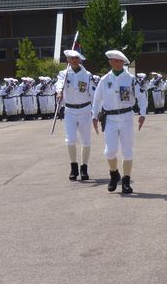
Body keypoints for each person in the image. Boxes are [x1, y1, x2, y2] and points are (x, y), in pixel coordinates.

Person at [92, 50, 147, 194]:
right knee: (110, 152)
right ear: (110, 62)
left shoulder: (130, 79)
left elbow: (141, 97)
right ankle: (114, 173)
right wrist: (94, 116)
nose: (117, 63)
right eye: (114, 61)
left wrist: (142, 113)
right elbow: (97, 100)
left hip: (126, 117)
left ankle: (126, 181)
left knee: (127, 151)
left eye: (120, 61)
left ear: (123, 62)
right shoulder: (104, 80)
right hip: (110, 119)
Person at [56, 50, 94, 181]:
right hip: (70, 111)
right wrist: (59, 92)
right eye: (72, 58)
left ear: (80, 60)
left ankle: (84, 168)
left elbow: (93, 93)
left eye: (77, 58)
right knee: (70, 140)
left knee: (86, 141)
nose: (74, 60)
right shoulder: (63, 74)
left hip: (84, 110)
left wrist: (97, 111)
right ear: (68, 60)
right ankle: (73, 167)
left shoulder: (87, 75)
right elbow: (59, 84)